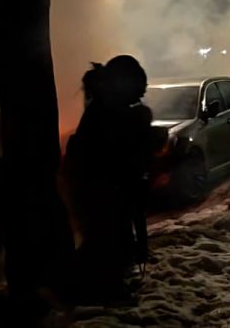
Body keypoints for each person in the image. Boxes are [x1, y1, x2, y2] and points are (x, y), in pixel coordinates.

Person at [61, 55, 164, 303]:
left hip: (103, 188)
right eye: (140, 86)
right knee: (108, 242)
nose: (143, 92)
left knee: (110, 241)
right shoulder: (109, 112)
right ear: (125, 84)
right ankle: (99, 292)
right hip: (100, 190)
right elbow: (117, 155)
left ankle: (94, 288)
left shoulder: (107, 108)